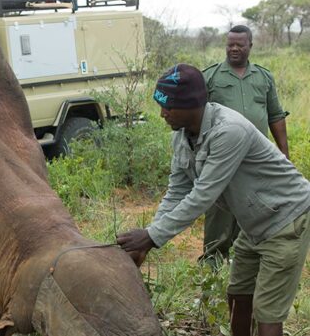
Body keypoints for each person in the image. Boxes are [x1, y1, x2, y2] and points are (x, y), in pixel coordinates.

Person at [117, 64, 310, 336]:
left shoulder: (229, 131)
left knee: (267, 311)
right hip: (254, 225)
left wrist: (151, 237)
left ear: (193, 105)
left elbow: (203, 195)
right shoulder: (182, 136)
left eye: (168, 106)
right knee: (238, 295)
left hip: (286, 220)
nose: (162, 113)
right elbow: (177, 190)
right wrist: (149, 238)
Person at [201, 25, 290, 263]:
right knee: (219, 210)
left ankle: (245, 260)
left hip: (256, 159)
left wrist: (284, 154)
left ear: (250, 45)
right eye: (230, 44)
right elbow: (197, 119)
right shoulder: (210, 77)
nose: (234, 48)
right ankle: (213, 261)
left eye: (240, 44)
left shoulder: (263, 77)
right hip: (221, 156)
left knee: (254, 207)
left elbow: (275, 116)